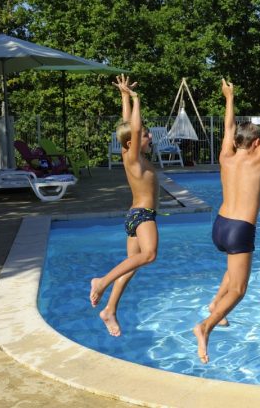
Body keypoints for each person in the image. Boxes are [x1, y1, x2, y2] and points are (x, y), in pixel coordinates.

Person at [193, 76, 260, 364]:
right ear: (255, 143)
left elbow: (228, 128)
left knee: (232, 270)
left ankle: (215, 305)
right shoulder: (257, 158)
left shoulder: (225, 157)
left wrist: (229, 98)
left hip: (220, 226)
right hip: (241, 229)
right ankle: (206, 326)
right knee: (240, 289)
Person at [89, 75, 158, 337]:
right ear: (131, 143)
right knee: (149, 255)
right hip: (142, 216)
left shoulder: (131, 153)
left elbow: (128, 125)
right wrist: (138, 99)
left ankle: (109, 310)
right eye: (145, 135)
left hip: (134, 216)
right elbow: (135, 128)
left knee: (132, 265)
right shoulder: (133, 157)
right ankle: (102, 281)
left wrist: (125, 96)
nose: (148, 136)